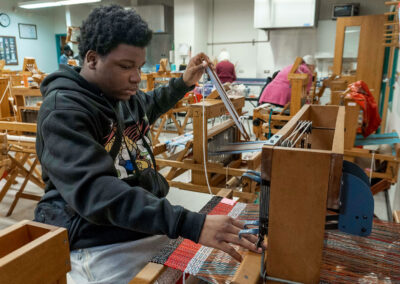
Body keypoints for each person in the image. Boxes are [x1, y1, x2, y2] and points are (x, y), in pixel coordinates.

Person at [34, 5, 260, 284]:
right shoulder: (63, 112)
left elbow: (149, 104)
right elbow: (98, 193)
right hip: (95, 237)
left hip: (133, 220)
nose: (137, 77)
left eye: (139, 67)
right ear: (92, 59)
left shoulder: (120, 95)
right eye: (126, 66)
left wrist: (184, 82)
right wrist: (188, 223)